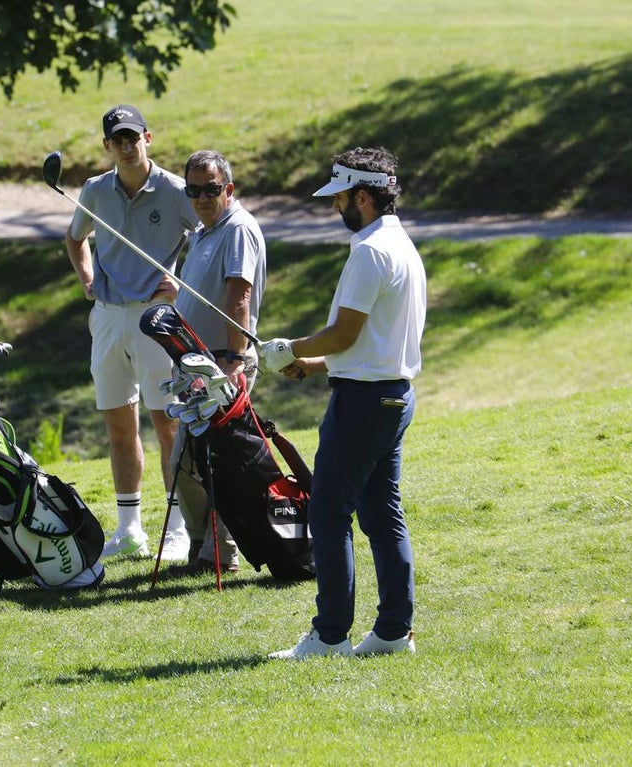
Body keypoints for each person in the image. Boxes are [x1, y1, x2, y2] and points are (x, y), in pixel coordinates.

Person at [261, 147, 427, 658]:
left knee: (329, 515)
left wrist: (291, 349)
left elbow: (344, 332)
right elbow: (367, 340)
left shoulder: (369, 250)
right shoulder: (401, 244)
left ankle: (330, 635)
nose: (336, 208)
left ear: (362, 195)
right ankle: (395, 632)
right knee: (382, 515)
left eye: (340, 199)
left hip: (362, 404)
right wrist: (311, 365)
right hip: (394, 397)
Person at [64, 105, 198, 559]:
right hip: (107, 317)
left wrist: (182, 283)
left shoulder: (177, 191)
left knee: (168, 425)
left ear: (148, 138)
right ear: (107, 146)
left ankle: (178, 529)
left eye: (132, 137)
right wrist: (86, 281)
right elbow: (75, 237)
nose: (126, 145)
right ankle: (129, 530)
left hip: (157, 318)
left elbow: (204, 237)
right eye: (117, 140)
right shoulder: (95, 190)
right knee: (120, 426)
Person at [166, 150, 268, 575]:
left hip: (223, 363)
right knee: (184, 462)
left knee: (215, 462)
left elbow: (238, 296)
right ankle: (203, 547)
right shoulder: (205, 231)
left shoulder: (238, 229)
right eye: (194, 190)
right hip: (197, 365)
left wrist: (234, 361)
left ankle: (219, 554)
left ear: (229, 188)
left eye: (211, 189)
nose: (203, 198)